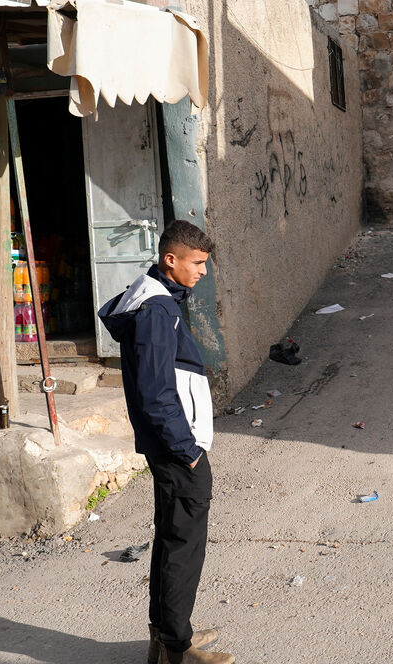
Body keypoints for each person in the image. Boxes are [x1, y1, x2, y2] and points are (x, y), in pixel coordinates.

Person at [98, 220, 234, 664]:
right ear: (169, 260)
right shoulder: (157, 311)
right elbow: (155, 393)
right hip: (178, 447)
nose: (202, 273)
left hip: (172, 444)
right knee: (184, 543)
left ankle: (168, 632)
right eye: (196, 264)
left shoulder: (158, 299)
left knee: (172, 536)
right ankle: (178, 647)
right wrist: (187, 450)